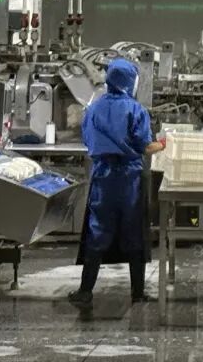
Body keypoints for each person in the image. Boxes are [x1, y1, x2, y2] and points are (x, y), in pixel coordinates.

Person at [68, 59, 165, 306]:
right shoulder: (136, 110)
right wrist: (164, 144)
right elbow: (145, 147)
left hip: (103, 178)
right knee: (134, 233)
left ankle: (85, 291)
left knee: (97, 231)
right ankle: (138, 293)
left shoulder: (93, 109)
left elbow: (87, 140)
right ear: (130, 82)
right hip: (130, 180)